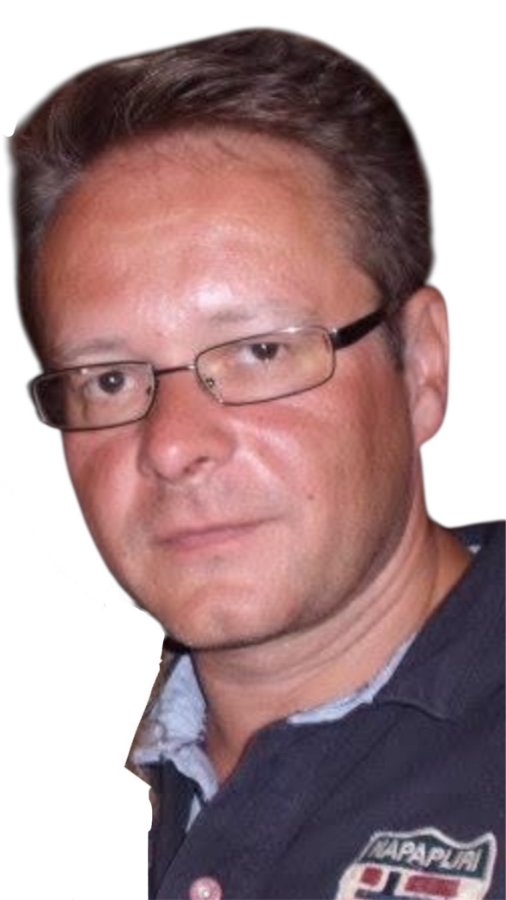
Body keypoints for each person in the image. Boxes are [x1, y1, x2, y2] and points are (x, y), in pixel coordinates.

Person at [11, 27, 504, 900]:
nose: (172, 445)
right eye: (110, 378)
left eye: (260, 352)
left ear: (421, 365)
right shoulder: (150, 764)